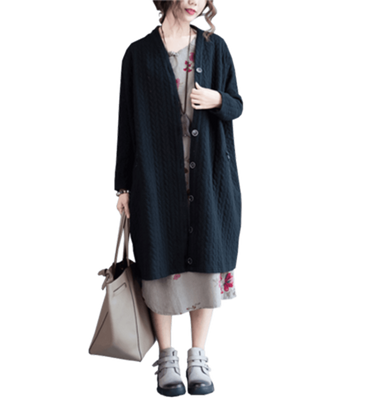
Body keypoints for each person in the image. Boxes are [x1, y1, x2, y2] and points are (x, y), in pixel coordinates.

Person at [115, 0, 245, 397]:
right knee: (157, 262)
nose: (194, 2)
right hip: (156, 181)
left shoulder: (215, 46)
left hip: (210, 178)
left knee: (209, 259)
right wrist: (122, 186)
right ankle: (167, 356)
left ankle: (198, 355)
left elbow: (237, 105)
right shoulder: (138, 53)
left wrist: (218, 101)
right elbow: (127, 123)